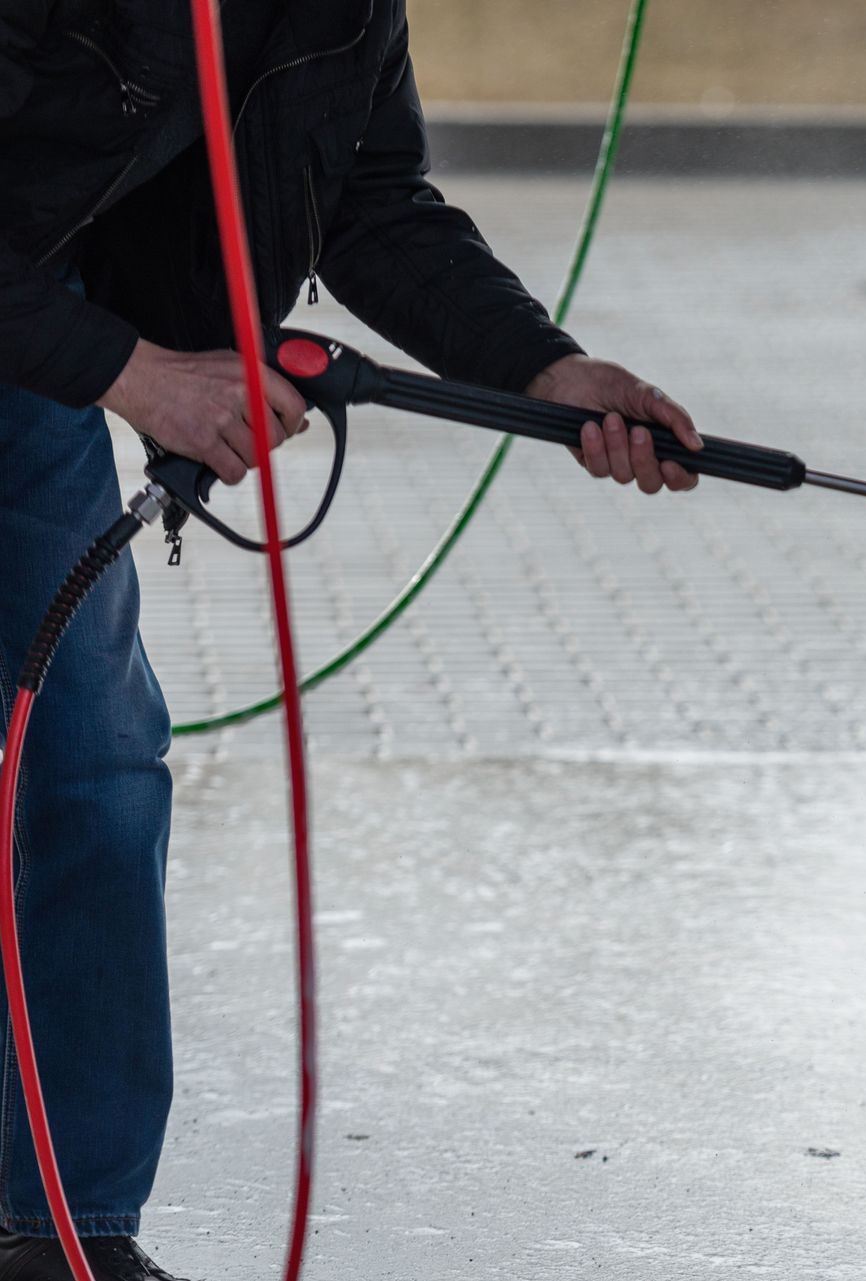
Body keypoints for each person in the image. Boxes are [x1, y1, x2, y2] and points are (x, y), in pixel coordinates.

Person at [0, 3, 700, 1276]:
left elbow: (372, 200)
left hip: (44, 324)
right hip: (45, 321)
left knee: (89, 758)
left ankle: (58, 1237)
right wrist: (137, 373)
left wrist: (541, 370)